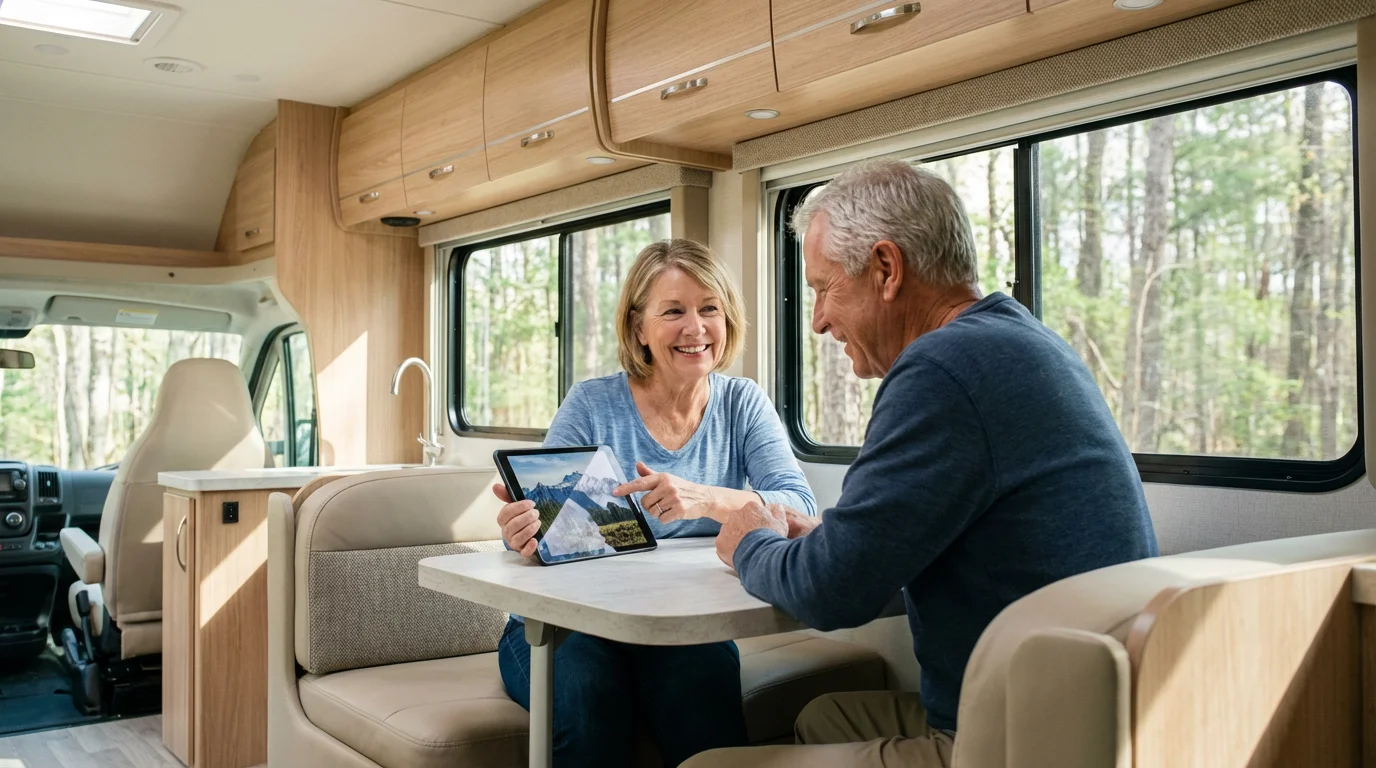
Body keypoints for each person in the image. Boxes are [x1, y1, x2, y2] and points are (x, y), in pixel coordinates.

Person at [689, 159, 1158, 767]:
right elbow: (915, 539)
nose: (819, 319)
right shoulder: (1019, 340)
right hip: (1082, 714)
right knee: (820, 716)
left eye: (825, 288)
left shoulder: (941, 370)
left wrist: (750, 544)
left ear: (886, 269)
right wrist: (825, 541)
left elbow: (834, 594)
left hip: (1014, 741)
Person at [493, 238, 817, 768]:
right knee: (590, 702)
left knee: (706, 704)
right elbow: (544, 533)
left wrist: (705, 498)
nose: (696, 328)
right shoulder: (592, 404)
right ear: (639, 327)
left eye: (709, 308)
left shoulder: (742, 403)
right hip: (568, 626)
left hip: (683, 626)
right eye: (674, 312)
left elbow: (798, 503)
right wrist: (525, 531)